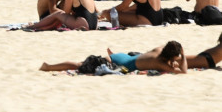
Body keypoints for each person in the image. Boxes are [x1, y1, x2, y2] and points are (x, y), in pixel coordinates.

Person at [40, 42, 185, 74]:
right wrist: (183, 55)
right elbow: (183, 72)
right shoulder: (160, 63)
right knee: (79, 65)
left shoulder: (159, 50)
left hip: (123, 56)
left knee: (80, 64)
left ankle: (49, 66)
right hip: (119, 62)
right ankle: (49, 66)